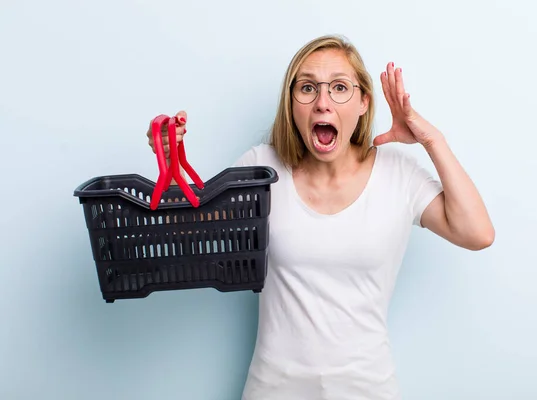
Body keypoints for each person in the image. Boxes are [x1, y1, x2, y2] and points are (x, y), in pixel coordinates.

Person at [146, 34, 494, 400]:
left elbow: (477, 233)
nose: (322, 103)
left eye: (340, 88)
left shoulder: (398, 174)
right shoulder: (261, 167)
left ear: (363, 102)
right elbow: (184, 236)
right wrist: (169, 163)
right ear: (291, 101)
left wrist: (431, 140)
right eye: (308, 88)